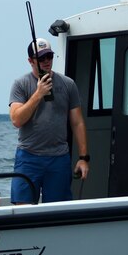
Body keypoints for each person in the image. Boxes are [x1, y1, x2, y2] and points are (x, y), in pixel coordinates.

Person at [8, 37, 89, 204]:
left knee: (57, 209)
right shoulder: (20, 84)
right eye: (41, 58)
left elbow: (77, 122)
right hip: (28, 156)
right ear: (30, 61)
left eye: (49, 57)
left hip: (59, 158)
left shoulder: (68, 84)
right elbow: (16, 120)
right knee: (22, 207)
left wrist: (83, 158)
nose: (46, 61)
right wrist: (38, 94)